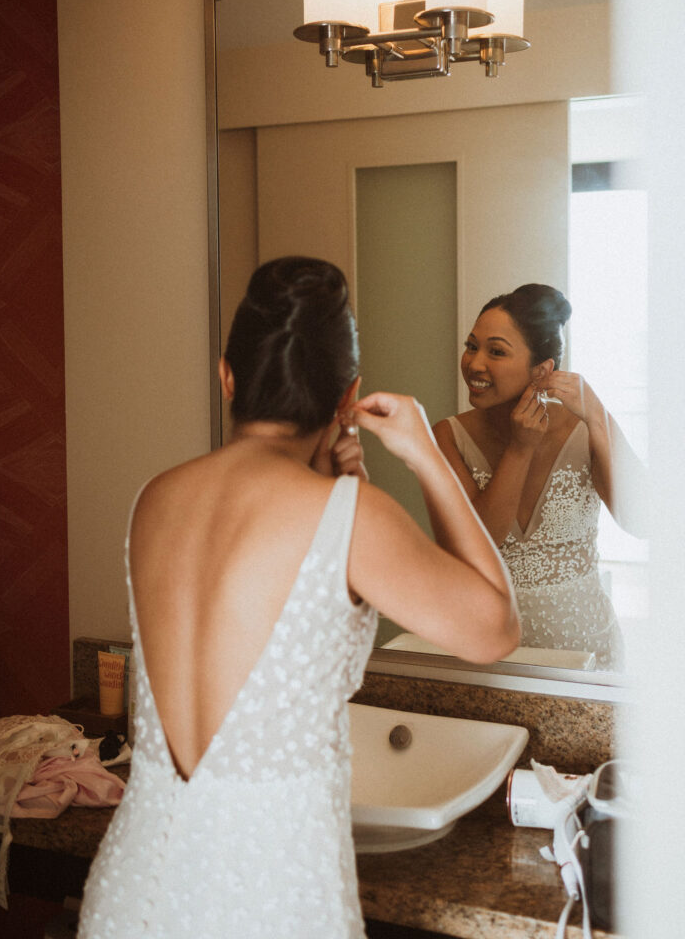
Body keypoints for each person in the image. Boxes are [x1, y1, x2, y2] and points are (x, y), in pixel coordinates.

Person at [77, 256, 517, 939]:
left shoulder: (155, 499)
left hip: (132, 892)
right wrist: (425, 455)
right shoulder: (351, 517)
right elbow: (493, 632)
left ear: (227, 374)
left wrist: (336, 491)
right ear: (349, 396)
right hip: (273, 896)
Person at [433, 284, 647, 671]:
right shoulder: (448, 436)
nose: (474, 363)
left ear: (542, 370)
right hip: (490, 655)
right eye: (472, 346)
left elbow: (643, 521)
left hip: (587, 655)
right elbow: (475, 548)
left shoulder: (585, 429)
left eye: (496, 351)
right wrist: (520, 449)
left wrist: (598, 417)